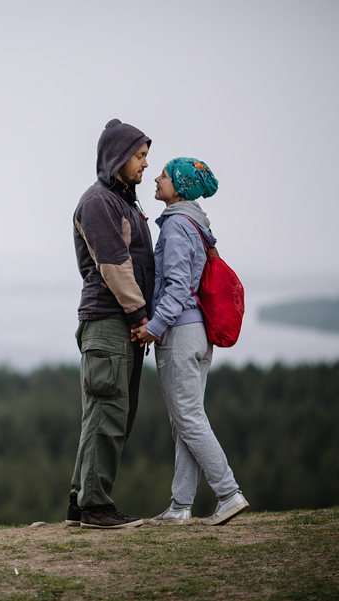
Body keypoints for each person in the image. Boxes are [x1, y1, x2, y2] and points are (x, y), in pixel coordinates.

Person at [132, 157, 249, 526]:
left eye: (164, 175)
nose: (156, 177)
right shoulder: (195, 224)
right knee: (187, 418)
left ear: (179, 186)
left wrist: (155, 325)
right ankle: (181, 506)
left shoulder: (176, 227)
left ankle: (229, 494)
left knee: (188, 418)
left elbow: (179, 285)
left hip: (180, 333)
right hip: (198, 334)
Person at [65, 119, 155, 529]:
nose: (144, 165)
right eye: (139, 156)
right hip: (109, 321)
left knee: (106, 413)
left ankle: (81, 504)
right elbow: (115, 266)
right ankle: (96, 508)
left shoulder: (123, 202)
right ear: (118, 157)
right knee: (108, 414)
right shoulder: (99, 201)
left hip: (117, 324)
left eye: (145, 156)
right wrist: (140, 317)